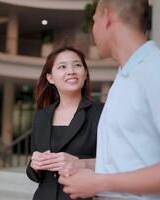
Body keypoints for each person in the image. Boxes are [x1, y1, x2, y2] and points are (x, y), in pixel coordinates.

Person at [59, 0, 160, 199]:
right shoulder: (125, 78)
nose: (93, 29)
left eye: (94, 20)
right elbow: (134, 160)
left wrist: (99, 183)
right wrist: (83, 164)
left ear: (107, 17)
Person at [26, 46, 104, 200]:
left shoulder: (102, 113)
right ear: (50, 78)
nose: (71, 71)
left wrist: (78, 162)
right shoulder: (41, 117)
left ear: (85, 73)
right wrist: (34, 165)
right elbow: (34, 174)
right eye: (62, 66)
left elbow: (116, 162)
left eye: (77, 65)